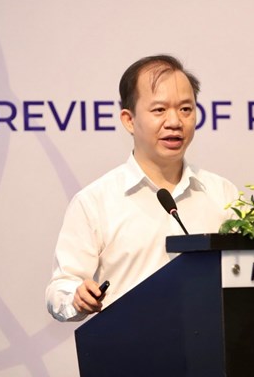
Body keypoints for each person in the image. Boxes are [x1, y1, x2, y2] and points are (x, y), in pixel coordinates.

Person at [45, 55, 238, 322]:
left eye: (185, 109)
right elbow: (61, 287)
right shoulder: (95, 201)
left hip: (209, 340)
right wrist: (76, 297)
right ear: (129, 119)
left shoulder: (222, 193)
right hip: (129, 342)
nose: (175, 121)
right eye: (159, 110)